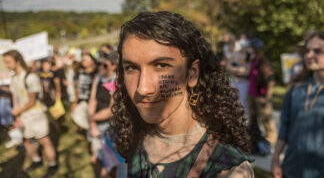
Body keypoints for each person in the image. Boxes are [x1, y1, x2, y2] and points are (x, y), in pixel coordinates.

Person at [110, 11, 253, 177]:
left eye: (161, 65)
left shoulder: (226, 169)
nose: (143, 89)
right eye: (131, 68)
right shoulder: (134, 137)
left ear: (192, 73)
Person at [271, 31, 324, 178]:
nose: (309, 55)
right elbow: (284, 128)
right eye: (307, 51)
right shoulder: (296, 89)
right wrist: (275, 160)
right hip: (291, 170)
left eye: (317, 51)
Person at [2, 50, 58, 178]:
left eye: (8, 62)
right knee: (26, 140)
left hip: (36, 114)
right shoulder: (14, 78)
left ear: (18, 60)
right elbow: (15, 97)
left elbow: (31, 101)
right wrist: (16, 115)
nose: (6, 65)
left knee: (44, 141)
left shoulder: (31, 77)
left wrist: (18, 111)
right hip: (24, 115)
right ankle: (36, 160)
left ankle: (52, 165)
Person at [87, 52, 118, 177]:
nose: (100, 67)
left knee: (110, 163)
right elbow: (93, 99)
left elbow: (112, 110)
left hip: (109, 126)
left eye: (104, 65)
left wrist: (91, 118)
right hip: (96, 123)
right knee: (96, 158)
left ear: (113, 66)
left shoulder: (117, 81)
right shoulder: (98, 78)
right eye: (98, 64)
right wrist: (92, 123)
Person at [247, 38, 277, 154]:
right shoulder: (254, 60)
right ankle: (256, 142)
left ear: (256, 49)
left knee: (267, 121)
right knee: (253, 120)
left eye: (252, 48)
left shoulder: (264, 62)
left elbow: (270, 81)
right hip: (252, 96)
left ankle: (271, 145)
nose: (251, 50)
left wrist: (266, 98)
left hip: (261, 97)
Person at [71, 52, 97, 130]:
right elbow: (77, 88)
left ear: (92, 61)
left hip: (93, 102)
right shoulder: (79, 73)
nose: (84, 60)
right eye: (83, 59)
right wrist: (75, 101)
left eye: (87, 58)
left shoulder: (97, 73)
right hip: (82, 101)